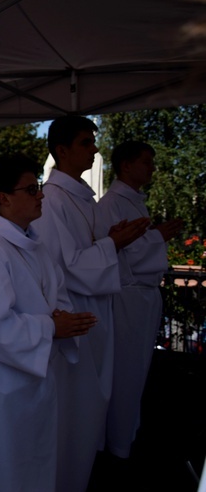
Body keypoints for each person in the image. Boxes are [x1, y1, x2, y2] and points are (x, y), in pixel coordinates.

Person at [0, 154, 96, 492]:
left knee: (33, 463)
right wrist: (52, 327)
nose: (40, 195)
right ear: (4, 198)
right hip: (0, 383)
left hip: (38, 378)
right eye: (30, 189)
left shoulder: (36, 247)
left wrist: (62, 319)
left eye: (38, 187)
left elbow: (59, 297)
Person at [32, 116, 149, 492]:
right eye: (86, 142)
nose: (95, 149)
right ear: (62, 150)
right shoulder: (52, 201)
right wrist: (112, 244)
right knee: (75, 408)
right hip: (75, 314)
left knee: (93, 402)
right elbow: (64, 267)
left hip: (97, 310)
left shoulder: (84, 197)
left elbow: (87, 254)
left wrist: (113, 240)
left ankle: (86, 469)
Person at [97, 141, 182, 460]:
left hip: (142, 298)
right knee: (125, 373)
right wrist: (157, 237)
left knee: (137, 372)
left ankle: (126, 435)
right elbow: (123, 251)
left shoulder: (133, 202)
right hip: (127, 298)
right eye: (145, 162)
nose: (151, 167)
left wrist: (156, 237)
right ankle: (116, 445)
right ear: (126, 166)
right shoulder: (112, 204)